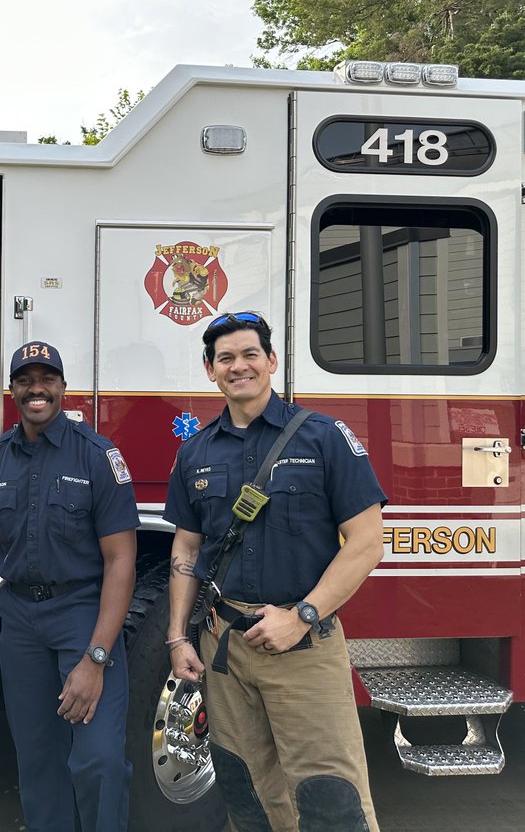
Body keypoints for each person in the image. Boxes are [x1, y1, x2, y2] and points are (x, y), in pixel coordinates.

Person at [164, 311, 385, 832]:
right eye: (226, 359)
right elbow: (187, 549)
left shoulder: (325, 438)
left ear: (271, 361)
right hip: (225, 649)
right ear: (209, 370)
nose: (238, 366)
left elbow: (367, 543)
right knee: (248, 794)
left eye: (249, 354)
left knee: (333, 798)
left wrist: (303, 615)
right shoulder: (194, 452)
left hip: (302, 644)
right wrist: (178, 637)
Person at [0, 341, 137, 832]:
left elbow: (121, 560)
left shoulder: (98, 458)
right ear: (13, 389)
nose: (35, 389)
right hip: (19, 621)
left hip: (83, 615)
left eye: (46, 379)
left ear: (62, 387)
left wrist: (97, 657)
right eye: (25, 380)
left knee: (99, 760)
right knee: (38, 761)